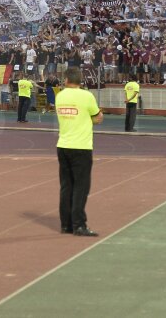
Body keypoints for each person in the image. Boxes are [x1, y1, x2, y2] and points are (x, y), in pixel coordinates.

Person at [55, 67, 102, 237]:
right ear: (80, 81)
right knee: (81, 187)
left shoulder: (60, 96)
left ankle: (65, 224)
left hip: (63, 145)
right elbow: (97, 117)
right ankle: (79, 224)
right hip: (81, 146)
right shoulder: (87, 96)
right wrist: (88, 119)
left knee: (66, 186)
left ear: (66, 80)